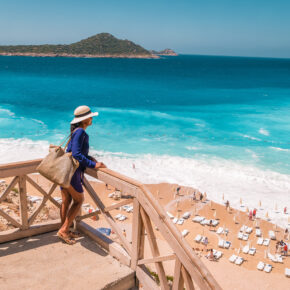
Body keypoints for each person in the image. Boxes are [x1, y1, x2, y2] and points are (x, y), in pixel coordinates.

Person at [57, 105, 106, 245]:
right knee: (79, 200)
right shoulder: (81, 133)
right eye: (90, 117)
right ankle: (64, 230)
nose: (92, 119)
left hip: (64, 172)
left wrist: (90, 158)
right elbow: (77, 154)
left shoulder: (75, 131)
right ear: (85, 120)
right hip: (72, 173)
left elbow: (73, 151)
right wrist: (93, 165)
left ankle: (64, 229)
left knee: (66, 201)